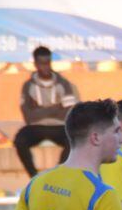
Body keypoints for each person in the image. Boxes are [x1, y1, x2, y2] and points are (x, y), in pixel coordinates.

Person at [13, 46, 79, 178]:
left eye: (48, 63)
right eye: (42, 63)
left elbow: (69, 113)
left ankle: (57, 175)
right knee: (19, 140)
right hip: (35, 127)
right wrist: (56, 107)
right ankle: (34, 176)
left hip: (60, 126)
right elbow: (28, 116)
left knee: (75, 140)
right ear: (36, 64)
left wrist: (39, 109)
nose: (46, 67)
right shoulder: (28, 86)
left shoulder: (63, 84)